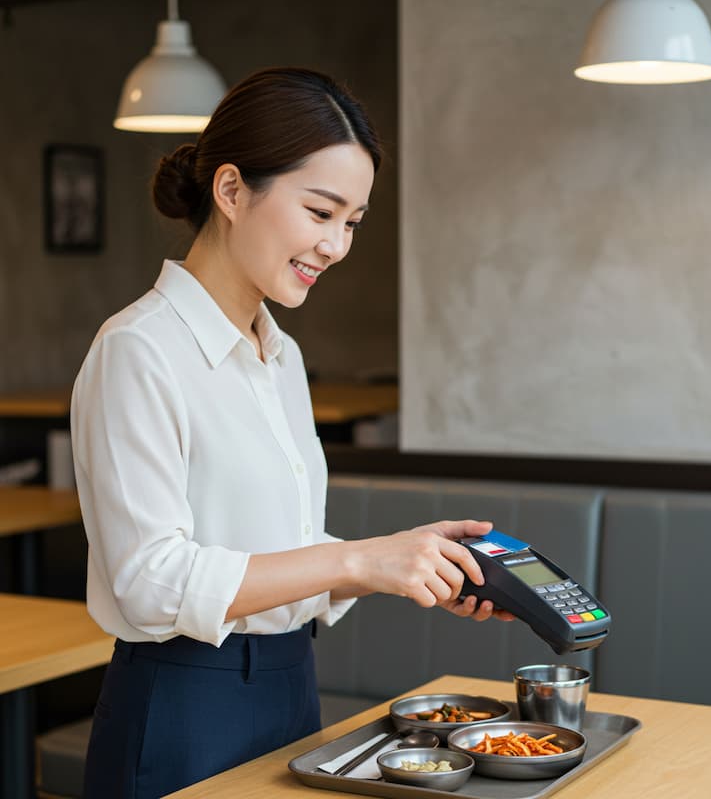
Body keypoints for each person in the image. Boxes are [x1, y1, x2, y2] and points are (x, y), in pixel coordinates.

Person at [71, 66, 511, 799]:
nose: (336, 245)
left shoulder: (282, 356)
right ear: (233, 190)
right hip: (184, 705)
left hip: (290, 692)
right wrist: (358, 563)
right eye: (320, 211)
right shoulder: (137, 351)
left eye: (352, 222)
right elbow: (150, 583)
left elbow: (275, 548)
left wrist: (410, 563)